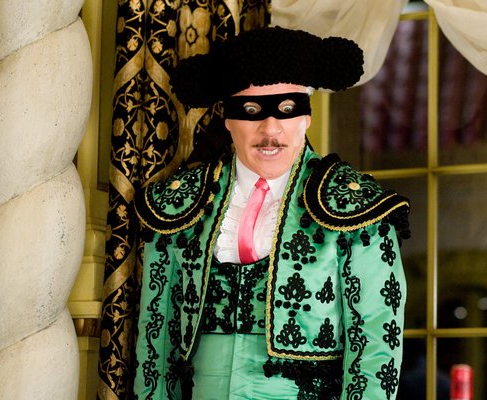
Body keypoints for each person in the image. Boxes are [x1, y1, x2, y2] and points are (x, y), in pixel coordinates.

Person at [133, 26, 410, 400]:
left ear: (306, 118)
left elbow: (376, 343)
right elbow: (156, 337)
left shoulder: (357, 208)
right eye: (251, 111)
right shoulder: (179, 203)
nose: (270, 129)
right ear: (228, 120)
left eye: (287, 110)